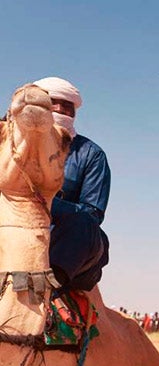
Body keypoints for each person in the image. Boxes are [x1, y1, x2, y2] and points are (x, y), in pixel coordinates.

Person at [32, 77, 111, 292]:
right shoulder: (16, 144)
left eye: (68, 106)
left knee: (87, 225)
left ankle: (45, 288)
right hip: (18, 230)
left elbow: (93, 212)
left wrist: (46, 202)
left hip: (64, 242)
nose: (60, 110)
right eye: (53, 103)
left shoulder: (91, 154)